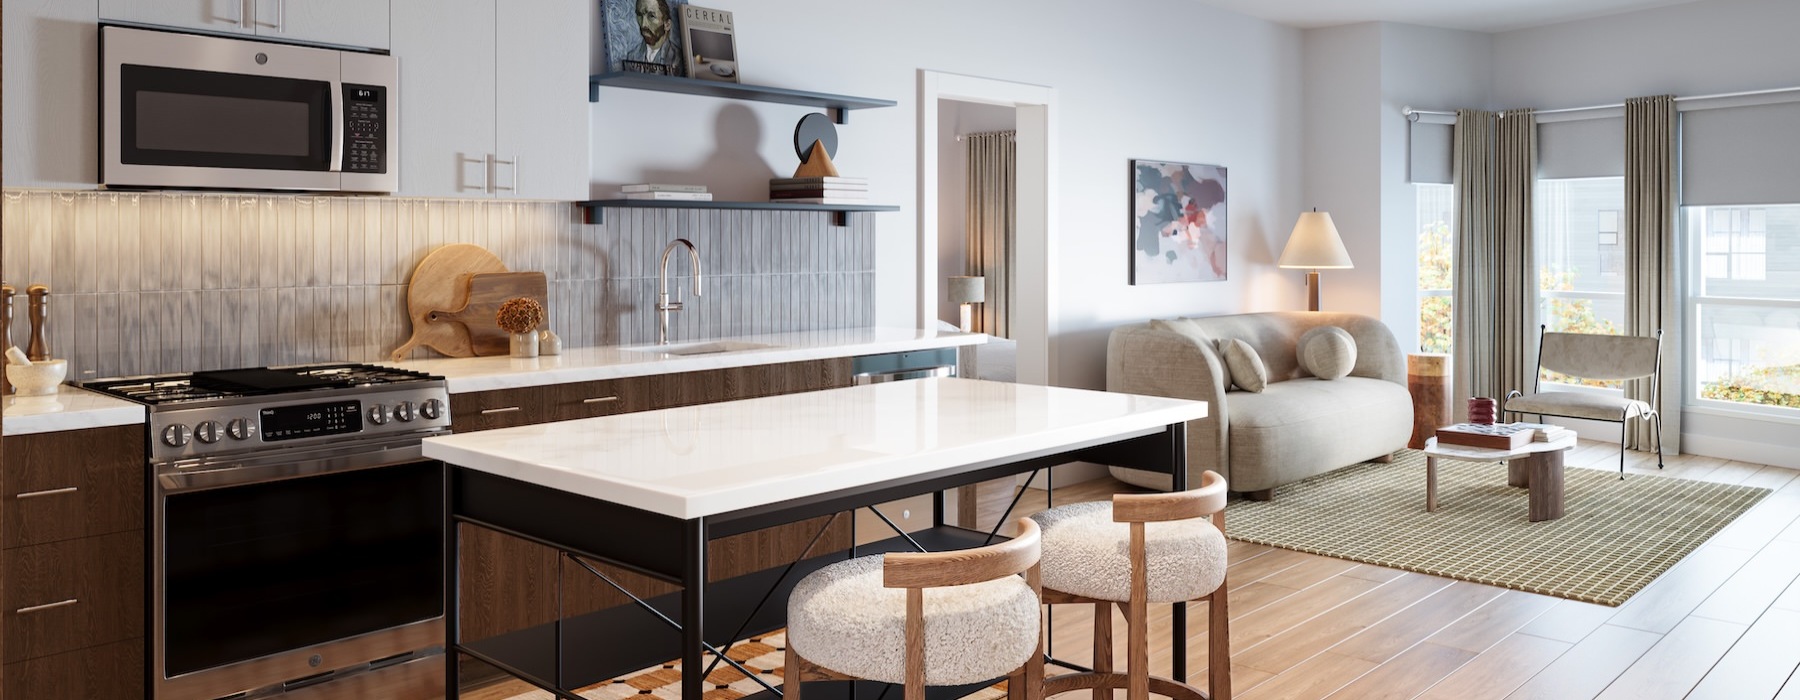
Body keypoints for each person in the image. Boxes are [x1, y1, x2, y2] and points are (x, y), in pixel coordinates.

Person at [622, 0, 679, 71]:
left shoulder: (677, 58)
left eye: (651, 16)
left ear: (667, 24)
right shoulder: (631, 57)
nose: (643, 24)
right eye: (640, 15)